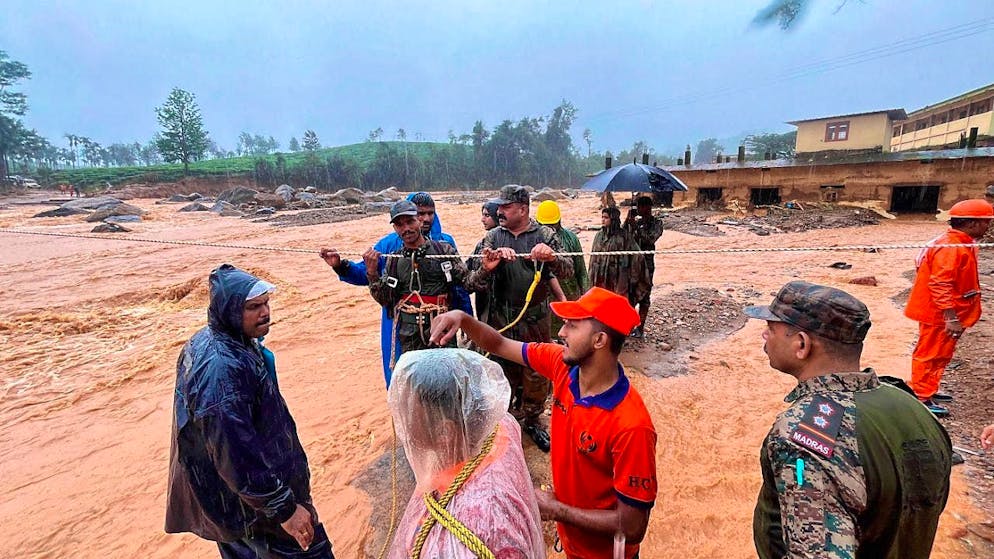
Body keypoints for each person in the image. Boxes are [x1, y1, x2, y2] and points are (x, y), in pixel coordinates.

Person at [430, 287, 657, 559]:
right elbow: (500, 345)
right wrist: (463, 319)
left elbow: (632, 527)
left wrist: (556, 510)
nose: (561, 333)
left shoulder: (632, 426)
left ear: (599, 340)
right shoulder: (562, 366)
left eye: (572, 326)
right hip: (571, 542)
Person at [746, 280, 952, 559]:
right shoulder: (913, 407)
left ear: (802, 345)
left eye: (771, 329)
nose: (764, 336)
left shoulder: (802, 436)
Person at [165, 264, 334, 559]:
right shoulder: (221, 369)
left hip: (231, 506)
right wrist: (284, 509)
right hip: (257, 513)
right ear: (230, 311)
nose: (265, 312)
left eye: (266, 303)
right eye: (254, 307)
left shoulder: (218, 342)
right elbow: (235, 454)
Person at [386, 349, 544, 559]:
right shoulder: (497, 426)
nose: (403, 424)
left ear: (445, 432)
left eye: (410, 413)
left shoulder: (472, 532)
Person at [319, 191, 472, 386]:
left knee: (447, 378)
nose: (425, 219)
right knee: (404, 376)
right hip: (400, 322)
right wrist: (340, 265)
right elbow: (363, 273)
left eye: (429, 213)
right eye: (421, 213)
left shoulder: (445, 244)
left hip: (441, 320)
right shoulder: (390, 245)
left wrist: (467, 317)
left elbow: (459, 284)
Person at [464, 184, 574, 453]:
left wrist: (551, 258)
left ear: (523, 209)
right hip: (500, 320)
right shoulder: (491, 239)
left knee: (536, 373)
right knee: (500, 370)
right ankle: (505, 420)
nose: (499, 212)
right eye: (498, 207)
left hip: (535, 319)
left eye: (506, 207)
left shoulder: (546, 234)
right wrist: (488, 268)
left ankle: (533, 420)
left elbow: (568, 270)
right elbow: (469, 282)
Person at [905, 199, 994, 416]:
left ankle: (928, 389)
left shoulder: (959, 242)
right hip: (938, 313)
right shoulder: (951, 248)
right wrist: (950, 316)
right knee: (929, 354)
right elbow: (940, 283)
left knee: (941, 354)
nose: (988, 227)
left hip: (944, 311)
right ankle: (920, 397)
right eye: (986, 223)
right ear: (973, 224)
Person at [367, 200, 468, 358]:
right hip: (408, 335)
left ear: (419, 221)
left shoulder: (444, 250)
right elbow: (386, 300)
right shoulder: (394, 259)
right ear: (395, 228)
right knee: (416, 379)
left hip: (441, 328)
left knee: (446, 375)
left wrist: (486, 268)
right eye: (400, 225)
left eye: (410, 222)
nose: (406, 229)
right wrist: (372, 273)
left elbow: (468, 283)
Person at [588, 207, 648, 331]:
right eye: (602, 217)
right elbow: (593, 258)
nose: (603, 220)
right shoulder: (599, 236)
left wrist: (631, 275)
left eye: (606, 218)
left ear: (613, 219)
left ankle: (619, 330)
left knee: (617, 303)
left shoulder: (624, 236)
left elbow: (637, 255)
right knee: (601, 302)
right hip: (601, 277)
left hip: (617, 278)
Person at [625, 196, 665, 336]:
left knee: (645, 296)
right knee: (630, 296)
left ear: (648, 207)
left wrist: (636, 227)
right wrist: (627, 221)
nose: (639, 210)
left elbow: (650, 238)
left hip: (647, 265)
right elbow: (625, 236)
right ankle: (628, 325)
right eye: (637, 207)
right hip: (633, 264)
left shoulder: (657, 223)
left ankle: (640, 328)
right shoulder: (637, 222)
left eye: (641, 207)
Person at [467, 199, 501, 322]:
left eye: (487, 215)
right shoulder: (480, 245)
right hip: (483, 301)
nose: (482, 219)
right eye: (483, 215)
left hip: (501, 305)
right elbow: (468, 270)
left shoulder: (506, 242)